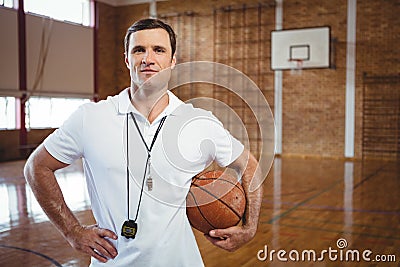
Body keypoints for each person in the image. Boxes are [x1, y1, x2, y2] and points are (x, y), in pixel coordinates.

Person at [24, 18, 263, 266]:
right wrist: (72, 230)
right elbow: (36, 167)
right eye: (139, 50)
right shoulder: (90, 118)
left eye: (158, 50)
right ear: (127, 59)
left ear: (172, 61)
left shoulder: (198, 122)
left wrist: (250, 227)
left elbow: (249, 165)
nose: (148, 58)